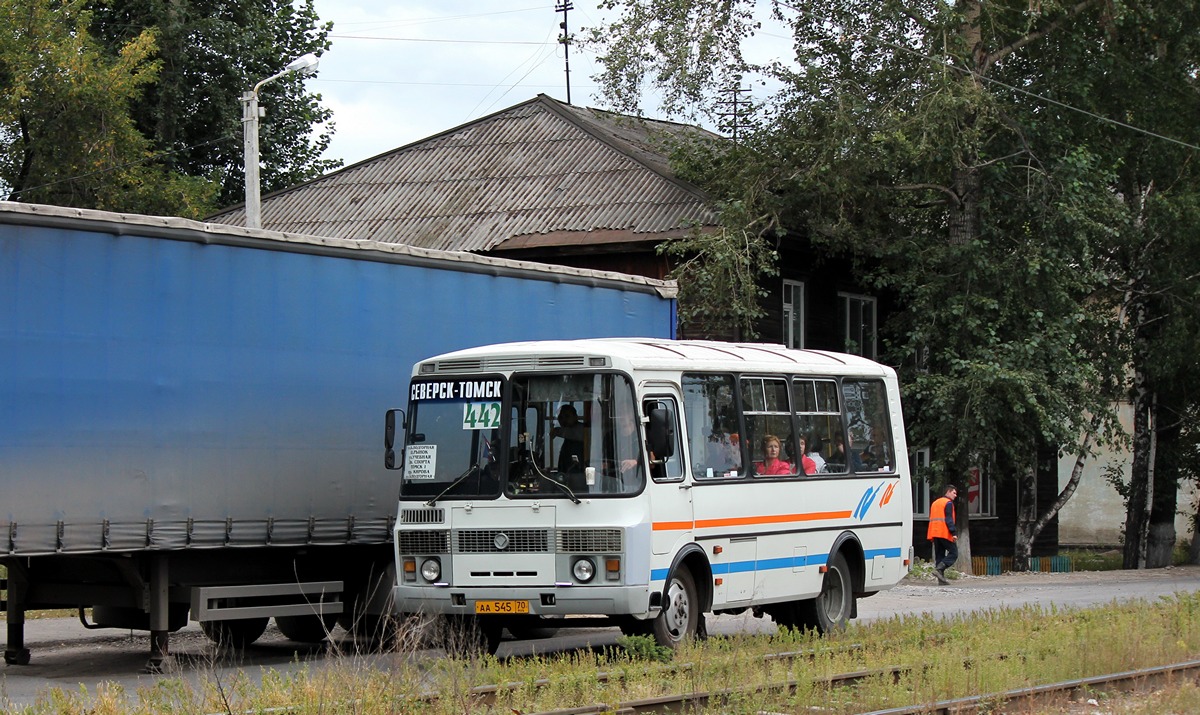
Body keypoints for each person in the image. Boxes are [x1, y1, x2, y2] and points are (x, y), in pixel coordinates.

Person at [927, 484, 958, 585]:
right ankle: (939, 568)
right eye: (954, 493)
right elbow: (948, 519)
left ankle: (941, 580)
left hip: (934, 532)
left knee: (939, 555)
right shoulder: (948, 503)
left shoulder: (935, 503)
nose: (955, 495)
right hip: (944, 532)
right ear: (948, 492)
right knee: (954, 553)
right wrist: (953, 532)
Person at [552, 404, 585, 473]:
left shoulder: (583, 430)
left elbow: (575, 434)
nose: (563, 420)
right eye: (560, 417)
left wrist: (558, 431)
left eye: (567, 416)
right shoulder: (568, 439)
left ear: (576, 417)